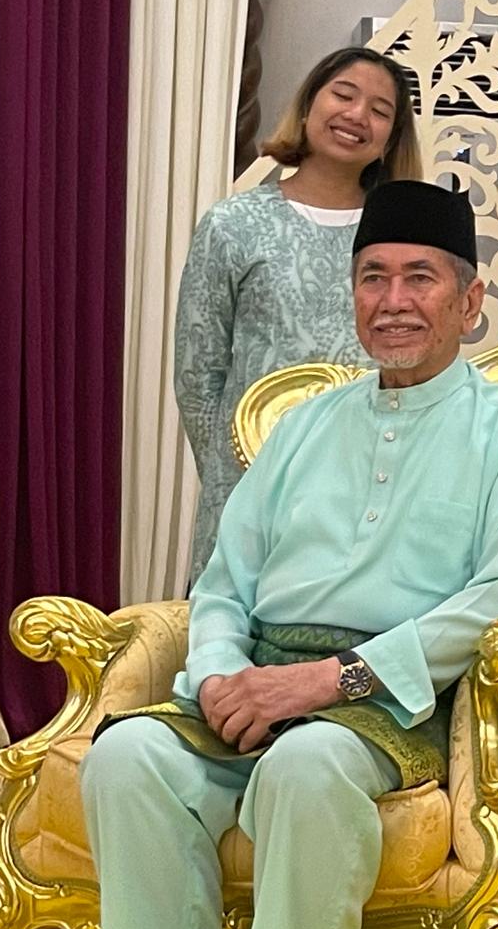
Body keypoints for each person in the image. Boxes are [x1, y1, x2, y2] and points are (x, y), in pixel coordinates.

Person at [68, 180, 498, 929]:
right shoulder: (303, 424)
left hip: (387, 695)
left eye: (420, 278)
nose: (394, 300)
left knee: (308, 769)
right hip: (257, 677)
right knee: (128, 756)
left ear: (470, 302)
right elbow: (225, 581)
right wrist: (220, 676)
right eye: (373, 278)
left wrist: (326, 682)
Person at [174, 47, 424, 582]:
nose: (357, 115)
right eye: (344, 95)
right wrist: (229, 471)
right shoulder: (233, 223)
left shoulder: (402, 238)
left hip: (372, 485)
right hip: (251, 482)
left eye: (380, 110)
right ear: (309, 104)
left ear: (391, 137)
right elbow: (198, 375)